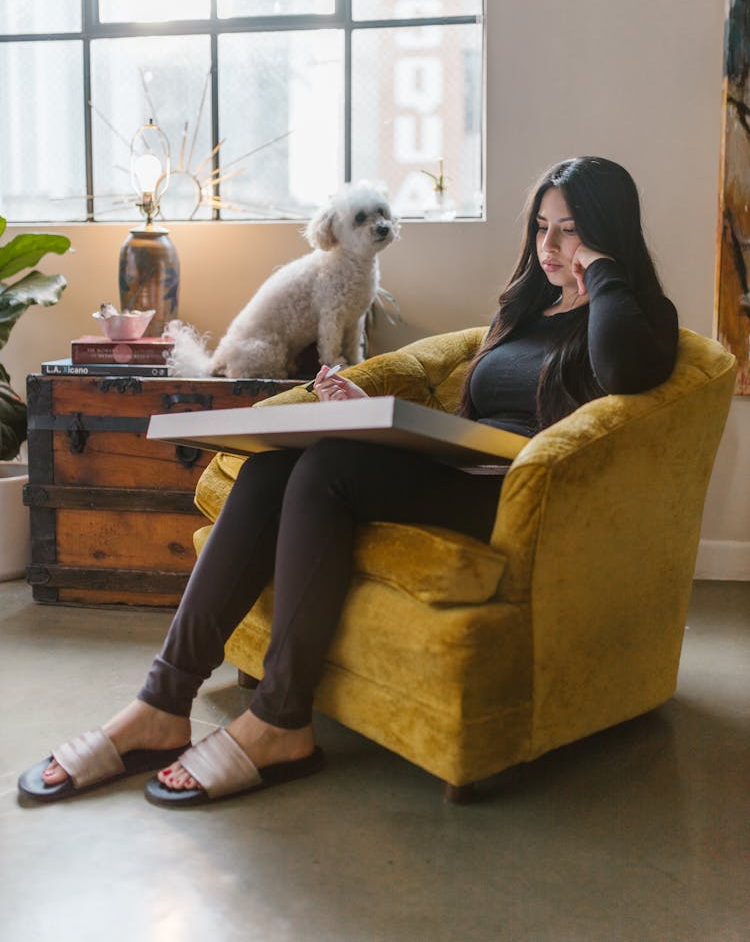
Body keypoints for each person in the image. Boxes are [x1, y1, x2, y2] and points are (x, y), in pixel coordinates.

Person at [18, 156, 679, 807]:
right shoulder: (525, 309)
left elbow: (621, 370)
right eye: (541, 227)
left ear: (606, 233)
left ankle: (281, 720)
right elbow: (472, 417)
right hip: (460, 466)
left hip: (516, 495)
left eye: (570, 229)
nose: (550, 245)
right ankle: (162, 702)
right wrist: (374, 418)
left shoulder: (635, 318)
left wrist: (602, 273)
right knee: (275, 462)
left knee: (328, 471)